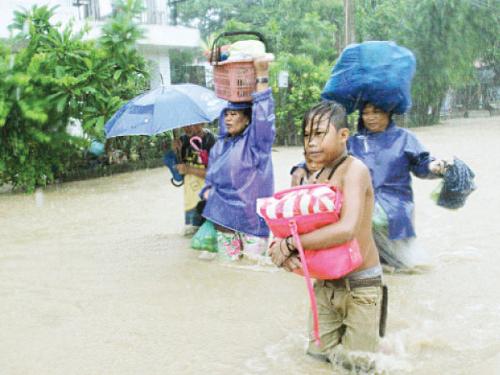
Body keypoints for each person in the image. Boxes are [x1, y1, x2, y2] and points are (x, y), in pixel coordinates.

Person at [269, 101, 384, 370]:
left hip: (360, 286)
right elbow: (292, 227)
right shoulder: (307, 176)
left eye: (320, 134)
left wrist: (289, 244)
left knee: (358, 366)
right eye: (307, 135)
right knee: (316, 361)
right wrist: (279, 248)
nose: (311, 142)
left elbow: (347, 230)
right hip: (325, 284)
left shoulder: (355, 170)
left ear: (344, 135)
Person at [292, 102, 446, 271]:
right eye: (366, 113)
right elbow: (328, 154)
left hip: (395, 211)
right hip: (362, 209)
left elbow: (422, 163)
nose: (370, 117)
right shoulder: (354, 141)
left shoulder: (405, 138)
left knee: (404, 268)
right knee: (363, 261)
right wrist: (301, 167)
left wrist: (434, 166)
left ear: (389, 113)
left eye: (376, 112)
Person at [201, 58, 275, 260]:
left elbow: (263, 116)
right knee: (229, 269)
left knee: (252, 270)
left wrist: (261, 76)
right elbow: (211, 178)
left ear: (248, 119)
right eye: (227, 114)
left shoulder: (256, 143)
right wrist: (207, 191)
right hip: (223, 221)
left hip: (252, 223)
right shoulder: (220, 146)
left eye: (234, 114)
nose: (228, 119)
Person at [173, 123, 216, 236]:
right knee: (192, 239)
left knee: (210, 239)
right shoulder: (183, 141)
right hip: (190, 202)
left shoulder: (212, 142)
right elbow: (179, 174)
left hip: (209, 200)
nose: (186, 128)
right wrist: (176, 152)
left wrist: (189, 169)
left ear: (201, 123)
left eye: (190, 124)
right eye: (184, 125)